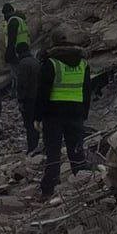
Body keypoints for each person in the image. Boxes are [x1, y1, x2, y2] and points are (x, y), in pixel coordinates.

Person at [36, 31, 91, 202]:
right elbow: (87, 91)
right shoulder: (83, 63)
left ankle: (48, 190)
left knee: (53, 152)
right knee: (76, 151)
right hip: (76, 113)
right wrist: (84, 113)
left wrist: (38, 117)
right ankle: (84, 185)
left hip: (54, 115)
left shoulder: (51, 64)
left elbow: (42, 93)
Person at [15, 49, 42, 155]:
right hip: (39, 98)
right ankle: (39, 146)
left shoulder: (23, 64)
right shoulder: (36, 61)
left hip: (29, 100)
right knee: (37, 122)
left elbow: (22, 83)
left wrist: (20, 100)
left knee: (29, 125)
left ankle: (32, 148)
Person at [2, 3, 31, 91]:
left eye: (5, 14)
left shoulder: (13, 22)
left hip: (16, 53)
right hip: (24, 50)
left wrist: (8, 55)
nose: (5, 17)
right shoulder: (21, 20)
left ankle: (20, 94)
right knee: (21, 74)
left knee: (18, 75)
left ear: (10, 11)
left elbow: (12, 40)